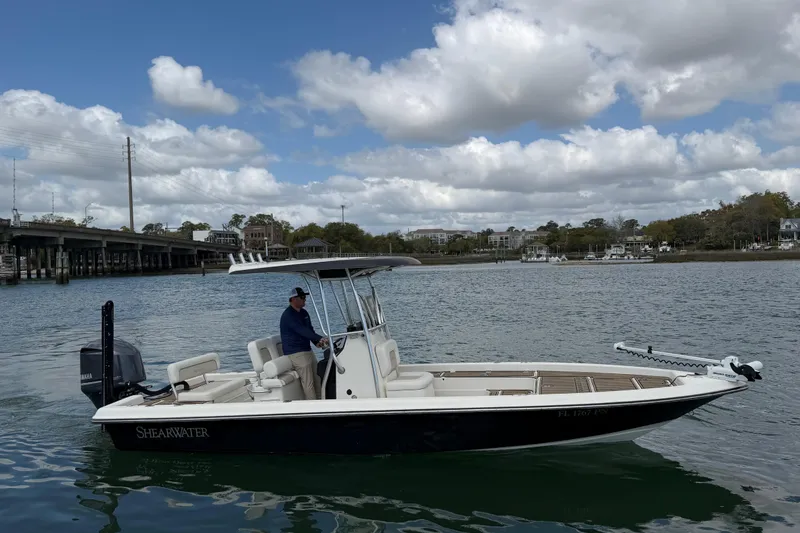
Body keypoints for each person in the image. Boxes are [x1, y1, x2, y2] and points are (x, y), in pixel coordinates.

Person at [279, 287, 328, 400]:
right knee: (308, 383)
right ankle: (313, 408)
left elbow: (309, 330)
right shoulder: (288, 316)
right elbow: (302, 330)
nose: (304, 299)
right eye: (302, 297)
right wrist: (321, 338)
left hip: (307, 350)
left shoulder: (304, 313)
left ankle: (322, 403)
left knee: (318, 378)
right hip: (296, 353)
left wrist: (318, 342)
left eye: (304, 297)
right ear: (293, 299)